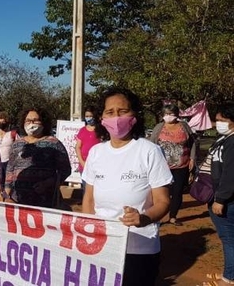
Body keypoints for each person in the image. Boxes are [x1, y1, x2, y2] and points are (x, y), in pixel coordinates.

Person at [81, 87, 172, 286]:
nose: (116, 117)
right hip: (102, 246)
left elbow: (163, 202)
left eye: (122, 111)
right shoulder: (96, 152)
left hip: (139, 248)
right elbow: (88, 199)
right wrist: (90, 232)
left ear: (134, 116)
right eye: (110, 112)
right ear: (101, 117)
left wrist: (143, 218)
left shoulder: (150, 151)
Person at [4, 107, 71, 208]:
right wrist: (6, 194)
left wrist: (48, 183)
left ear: (43, 122)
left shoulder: (54, 143)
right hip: (18, 200)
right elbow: (10, 169)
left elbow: (65, 170)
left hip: (45, 202)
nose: (31, 123)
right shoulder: (17, 144)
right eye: (28, 120)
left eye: (36, 120)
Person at [149, 104, 197, 226]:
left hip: (182, 166)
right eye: (166, 114)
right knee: (160, 192)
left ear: (176, 114)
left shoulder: (184, 126)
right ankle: (157, 216)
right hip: (162, 167)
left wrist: (192, 158)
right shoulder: (159, 127)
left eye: (171, 113)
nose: (168, 116)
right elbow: (151, 145)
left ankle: (173, 217)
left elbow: (193, 143)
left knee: (177, 192)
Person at [202, 102, 234, 286]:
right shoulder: (225, 139)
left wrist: (220, 199)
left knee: (229, 238)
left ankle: (229, 278)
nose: (218, 123)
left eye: (223, 120)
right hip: (222, 196)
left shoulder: (232, 142)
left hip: (227, 200)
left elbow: (230, 174)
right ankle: (229, 272)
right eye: (217, 120)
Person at [75, 106, 101, 189]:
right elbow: (77, 147)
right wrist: (82, 162)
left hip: (97, 166)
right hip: (84, 166)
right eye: (87, 116)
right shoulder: (82, 130)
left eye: (90, 116)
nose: (88, 118)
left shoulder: (100, 130)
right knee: (86, 190)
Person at [0, 111, 16, 184]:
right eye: (0, 122)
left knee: (9, 183)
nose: (1, 124)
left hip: (9, 162)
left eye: (3, 122)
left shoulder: (13, 134)